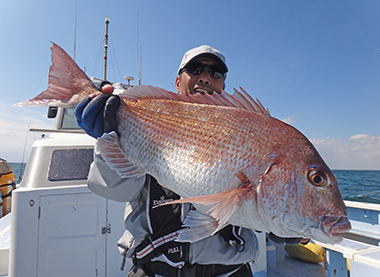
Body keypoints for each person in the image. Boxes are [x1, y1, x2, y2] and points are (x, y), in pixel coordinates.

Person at [74, 45, 303, 277]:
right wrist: (110, 136)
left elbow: (264, 209)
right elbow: (115, 190)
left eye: (215, 73)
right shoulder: (147, 123)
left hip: (230, 272)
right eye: (195, 69)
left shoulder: (249, 134)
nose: (204, 78)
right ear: (177, 81)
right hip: (154, 271)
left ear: (223, 85)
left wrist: (295, 224)